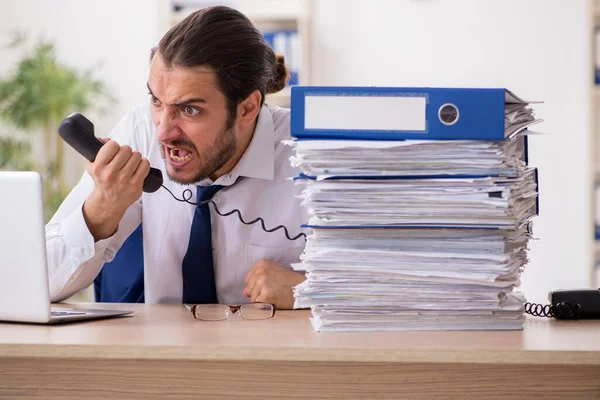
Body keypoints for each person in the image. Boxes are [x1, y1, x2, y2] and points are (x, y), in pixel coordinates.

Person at [45, 5, 308, 309]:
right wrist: (102, 207)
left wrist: (309, 290)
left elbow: (374, 290)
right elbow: (38, 286)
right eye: (156, 101)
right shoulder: (139, 131)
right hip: (162, 349)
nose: (163, 133)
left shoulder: (309, 152)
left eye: (190, 109)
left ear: (247, 109)